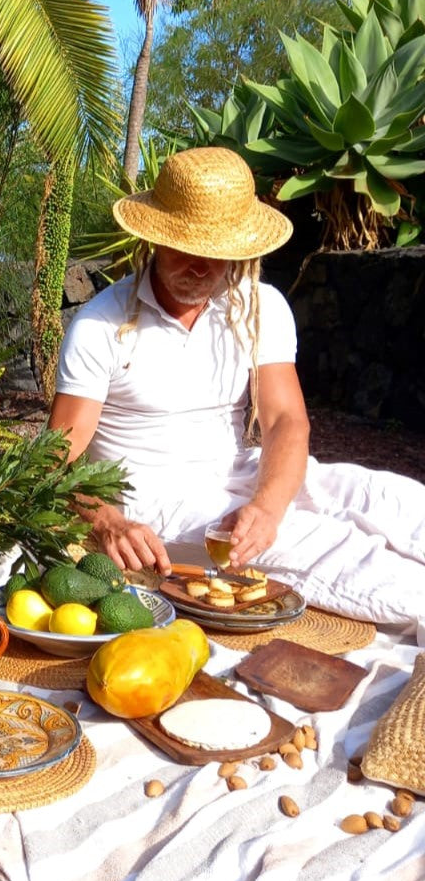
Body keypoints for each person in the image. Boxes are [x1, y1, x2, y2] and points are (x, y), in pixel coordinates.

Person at [48, 146, 425, 640]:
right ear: (154, 238)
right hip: (155, 499)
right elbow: (55, 458)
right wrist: (108, 521)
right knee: (339, 553)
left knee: (392, 498)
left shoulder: (258, 305)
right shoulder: (101, 323)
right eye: (185, 245)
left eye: (219, 250)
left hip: (239, 467)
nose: (203, 266)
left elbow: (286, 420)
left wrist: (267, 507)